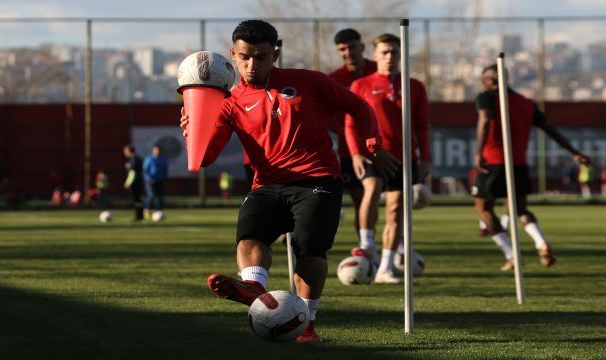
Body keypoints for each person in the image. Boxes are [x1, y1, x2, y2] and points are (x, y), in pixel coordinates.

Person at [179, 19, 398, 343]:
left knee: (309, 247)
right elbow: (204, 159)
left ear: (275, 54)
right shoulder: (228, 103)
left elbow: (358, 106)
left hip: (318, 180)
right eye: (245, 57)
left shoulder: (308, 82)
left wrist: (373, 147)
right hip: (266, 184)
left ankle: (306, 324)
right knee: (249, 236)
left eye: (262, 57)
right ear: (233, 55)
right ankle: (253, 285)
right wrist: (191, 131)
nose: (253, 65)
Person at [473, 64, 591, 271]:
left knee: (484, 209)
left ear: (492, 80)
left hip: (492, 162)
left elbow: (485, 120)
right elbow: (551, 129)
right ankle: (540, 242)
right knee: (520, 210)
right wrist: (574, 152)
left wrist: (478, 152)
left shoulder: (487, 97)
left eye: (484, 80)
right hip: (519, 165)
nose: (482, 84)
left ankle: (511, 254)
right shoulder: (526, 103)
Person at [348, 33, 431, 283]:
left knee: (396, 211)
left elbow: (422, 125)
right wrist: (355, 153)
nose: (390, 57)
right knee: (371, 189)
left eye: (394, 51)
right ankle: (367, 246)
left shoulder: (414, 86)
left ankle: (385, 267)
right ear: (374, 55)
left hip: (404, 158)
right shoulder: (361, 84)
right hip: (372, 154)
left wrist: (425, 157)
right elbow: (350, 122)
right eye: (384, 52)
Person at [328, 28, 380, 261]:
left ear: (362, 47)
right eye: (342, 49)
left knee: (395, 201)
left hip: (383, 148)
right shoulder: (335, 78)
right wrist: (345, 133)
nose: (347, 52)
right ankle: (367, 247)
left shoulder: (378, 70)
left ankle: (394, 247)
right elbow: (327, 114)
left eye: (351, 47)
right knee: (361, 199)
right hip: (350, 151)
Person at [143, 145, 168, 219]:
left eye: (159, 150)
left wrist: (164, 177)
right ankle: (146, 210)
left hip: (160, 180)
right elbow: (145, 170)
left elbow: (165, 169)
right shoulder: (149, 159)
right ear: (153, 151)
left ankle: (159, 211)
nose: (157, 152)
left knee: (160, 196)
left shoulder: (163, 159)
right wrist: (150, 179)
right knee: (151, 194)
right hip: (151, 181)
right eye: (156, 150)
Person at [123, 144, 144, 221]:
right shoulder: (138, 158)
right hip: (138, 181)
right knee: (138, 199)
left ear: (128, 151)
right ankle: (140, 216)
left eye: (125, 151)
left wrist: (128, 182)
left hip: (135, 182)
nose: (124, 153)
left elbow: (132, 172)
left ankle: (139, 216)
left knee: (136, 199)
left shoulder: (133, 159)